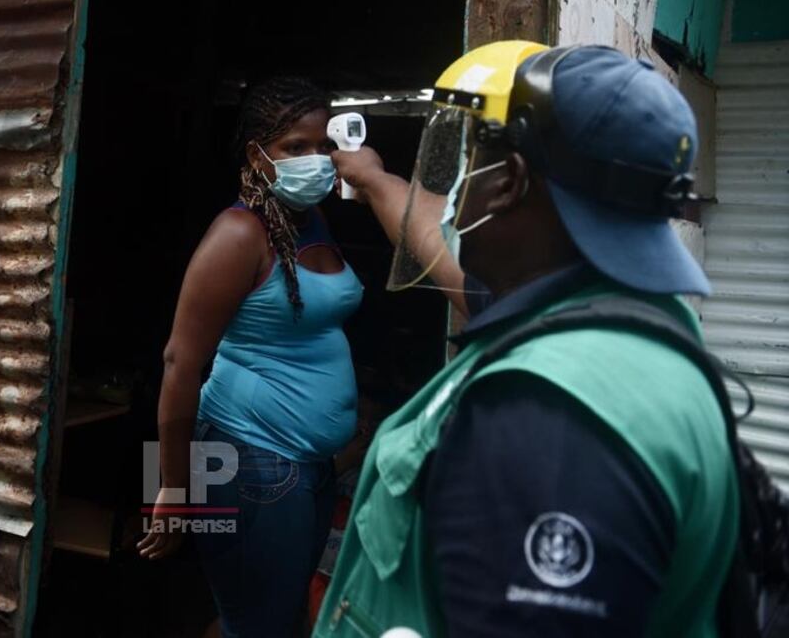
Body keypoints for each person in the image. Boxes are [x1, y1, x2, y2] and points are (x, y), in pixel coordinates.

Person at [317, 42, 739, 637]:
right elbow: (435, 245)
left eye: (471, 165)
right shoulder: (625, 316)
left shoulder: (549, 416)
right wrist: (373, 178)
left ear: (509, 182)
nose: (456, 200)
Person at [137, 77, 365, 637]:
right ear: (257, 156)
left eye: (322, 146)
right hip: (245, 460)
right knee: (260, 623)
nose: (314, 160)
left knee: (275, 619)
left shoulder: (310, 219)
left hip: (308, 466)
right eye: (295, 147)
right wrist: (173, 486)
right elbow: (179, 364)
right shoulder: (238, 234)